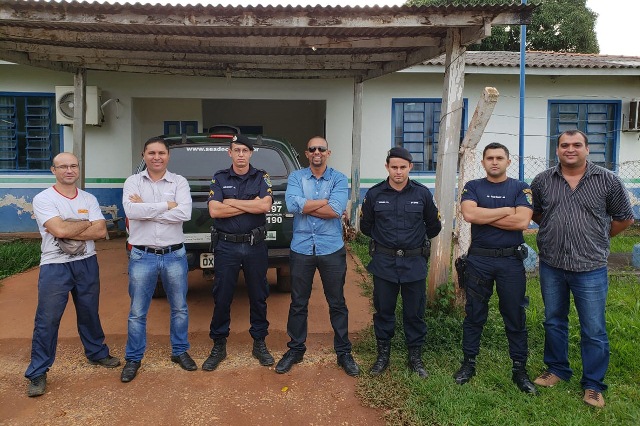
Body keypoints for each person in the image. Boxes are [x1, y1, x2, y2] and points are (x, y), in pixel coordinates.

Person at [531, 129, 634, 408]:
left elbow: (624, 218)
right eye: (564, 145)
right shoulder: (542, 180)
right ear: (557, 150)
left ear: (587, 149)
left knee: (593, 328)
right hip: (552, 264)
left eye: (577, 144)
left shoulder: (607, 180)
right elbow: (537, 213)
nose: (570, 149)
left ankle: (593, 384)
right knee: (554, 320)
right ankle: (557, 369)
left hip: (590, 267)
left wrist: (598, 237)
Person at [25, 152, 120, 397]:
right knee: (47, 319)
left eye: (73, 166)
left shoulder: (88, 198)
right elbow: (58, 229)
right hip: (55, 265)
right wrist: (85, 223)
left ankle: (96, 353)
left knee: (89, 312)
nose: (69, 170)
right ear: (53, 170)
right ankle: (38, 371)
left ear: (78, 169)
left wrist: (70, 227)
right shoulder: (44, 198)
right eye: (63, 166)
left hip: (87, 262)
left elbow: (100, 231)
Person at [452, 142, 537, 394]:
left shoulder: (520, 187)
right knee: (474, 313)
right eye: (490, 158)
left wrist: (485, 214)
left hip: (510, 261)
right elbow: (469, 215)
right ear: (483, 162)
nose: (495, 162)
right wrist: (506, 210)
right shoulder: (473, 186)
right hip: (479, 260)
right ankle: (468, 363)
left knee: (515, 314)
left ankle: (519, 369)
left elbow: (522, 221)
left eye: (500, 158)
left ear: (508, 161)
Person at [275, 136, 359, 376]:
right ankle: (295, 349)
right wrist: (324, 203)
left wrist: (307, 205)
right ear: (307, 153)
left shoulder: (338, 178)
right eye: (312, 149)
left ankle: (343, 352)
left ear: (328, 152)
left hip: (331, 248)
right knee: (298, 303)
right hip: (301, 249)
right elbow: (292, 206)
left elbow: (336, 210)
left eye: (321, 148)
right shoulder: (296, 177)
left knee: (337, 302)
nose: (317, 152)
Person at [360, 146, 441, 378]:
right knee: (383, 310)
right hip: (384, 263)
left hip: (414, 263)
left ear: (410, 167)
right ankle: (383, 355)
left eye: (402, 167)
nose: (398, 172)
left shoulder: (422, 194)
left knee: (414, 312)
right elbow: (366, 226)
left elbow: (434, 226)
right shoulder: (374, 194)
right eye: (394, 167)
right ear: (387, 167)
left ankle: (415, 357)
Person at [120, 137, 195, 383]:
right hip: (142, 255)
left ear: (168, 156)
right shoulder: (132, 182)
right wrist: (166, 206)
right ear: (143, 155)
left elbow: (184, 213)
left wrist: (147, 209)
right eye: (151, 153)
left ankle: (180, 351)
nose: (156, 157)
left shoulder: (179, 181)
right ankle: (133, 358)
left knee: (179, 308)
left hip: (175, 254)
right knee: (137, 311)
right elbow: (131, 211)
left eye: (161, 153)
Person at [201, 134, 274, 371]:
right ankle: (219, 344)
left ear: (250, 153)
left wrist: (230, 202)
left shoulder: (261, 176)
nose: (241, 154)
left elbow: (265, 205)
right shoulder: (220, 177)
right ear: (229, 153)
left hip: (255, 246)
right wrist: (250, 205)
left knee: (258, 295)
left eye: (245, 150)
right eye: (236, 150)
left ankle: (259, 342)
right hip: (227, 246)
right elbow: (214, 211)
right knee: (222, 295)